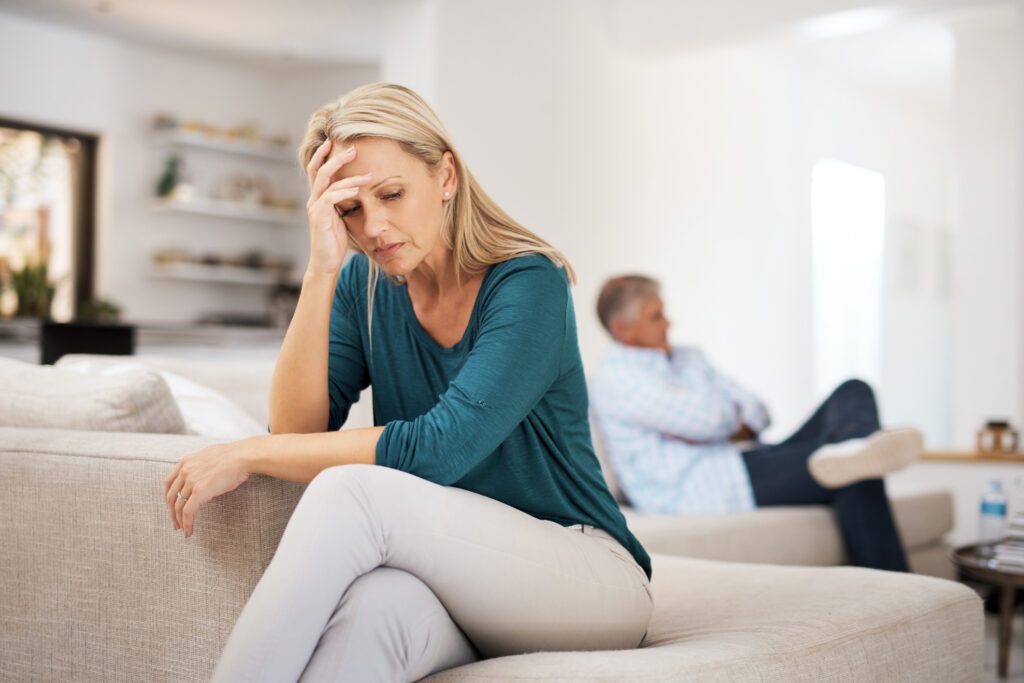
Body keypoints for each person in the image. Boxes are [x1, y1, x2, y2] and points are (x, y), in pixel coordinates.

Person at [161, 84, 652, 683]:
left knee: (352, 492)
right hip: (462, 583)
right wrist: (321, 271)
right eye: (350, 209)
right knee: (376, 609)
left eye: (392, 194)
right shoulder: (361, 287)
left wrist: (246, 453)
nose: (374, 227)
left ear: (445, 175)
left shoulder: (529, 283)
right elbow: (296, 430)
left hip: (587, 578)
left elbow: (440, 448)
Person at [590, 274, 921, 572]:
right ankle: (898, 583)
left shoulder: (690, 357)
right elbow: (710, 420)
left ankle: (854, 445)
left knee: (853, 390)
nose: (668, 322)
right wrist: (726, 416)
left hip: (747, 455)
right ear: (623, 329)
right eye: (656, 316)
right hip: (706, 485)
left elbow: (759, 411)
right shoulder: (616, 380)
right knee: (851, 471)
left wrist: (716, 422)